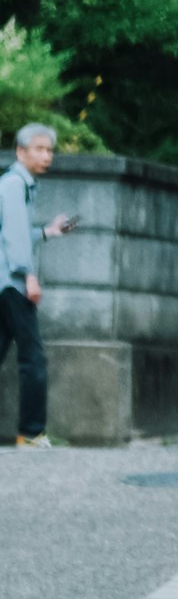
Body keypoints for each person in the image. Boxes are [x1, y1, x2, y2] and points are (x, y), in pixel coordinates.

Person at [0, 121, 58, 447]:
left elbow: (11, 233)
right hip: (12, 282)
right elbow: (14, 238)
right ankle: (32, 433)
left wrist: (49, 232)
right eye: (39, 149)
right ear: (21, 152)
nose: (47, 155)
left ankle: (31, 433)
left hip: (5, 280)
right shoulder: (14, 184)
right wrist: (29, 276)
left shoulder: (18, 184)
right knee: (33, 358)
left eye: (49, 150)